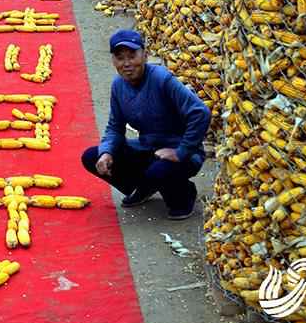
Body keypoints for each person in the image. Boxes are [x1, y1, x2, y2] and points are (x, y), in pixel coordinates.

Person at [81, 30, 210, 219]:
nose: (126, 64)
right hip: (148, 149)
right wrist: (106, 152)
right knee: (92, 156)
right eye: (120, 58)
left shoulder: (161, 79)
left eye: (132, 56)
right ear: (113, 61)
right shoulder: (118, 86)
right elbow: (115, 127)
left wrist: (181, 151)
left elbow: (200, 112)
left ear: (145, 55)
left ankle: (185, 195)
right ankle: (144, 186)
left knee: (166, 185)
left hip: (183, 153)